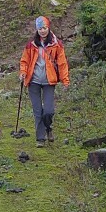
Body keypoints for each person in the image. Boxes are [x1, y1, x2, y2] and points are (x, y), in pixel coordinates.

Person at [17, 15, 70, 146]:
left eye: (44, 28)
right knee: (37, 111)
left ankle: (48, 128)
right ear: (37, 29)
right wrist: (23, 73)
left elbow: (62, 63)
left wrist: (65, 80)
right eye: (40, 28)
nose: (42, 31)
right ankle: (40, 138)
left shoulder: (56, 45)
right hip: (33, 81)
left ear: (48, 27)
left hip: (49, 81)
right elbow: (24, 61)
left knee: (48, 111)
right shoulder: (31, 45)